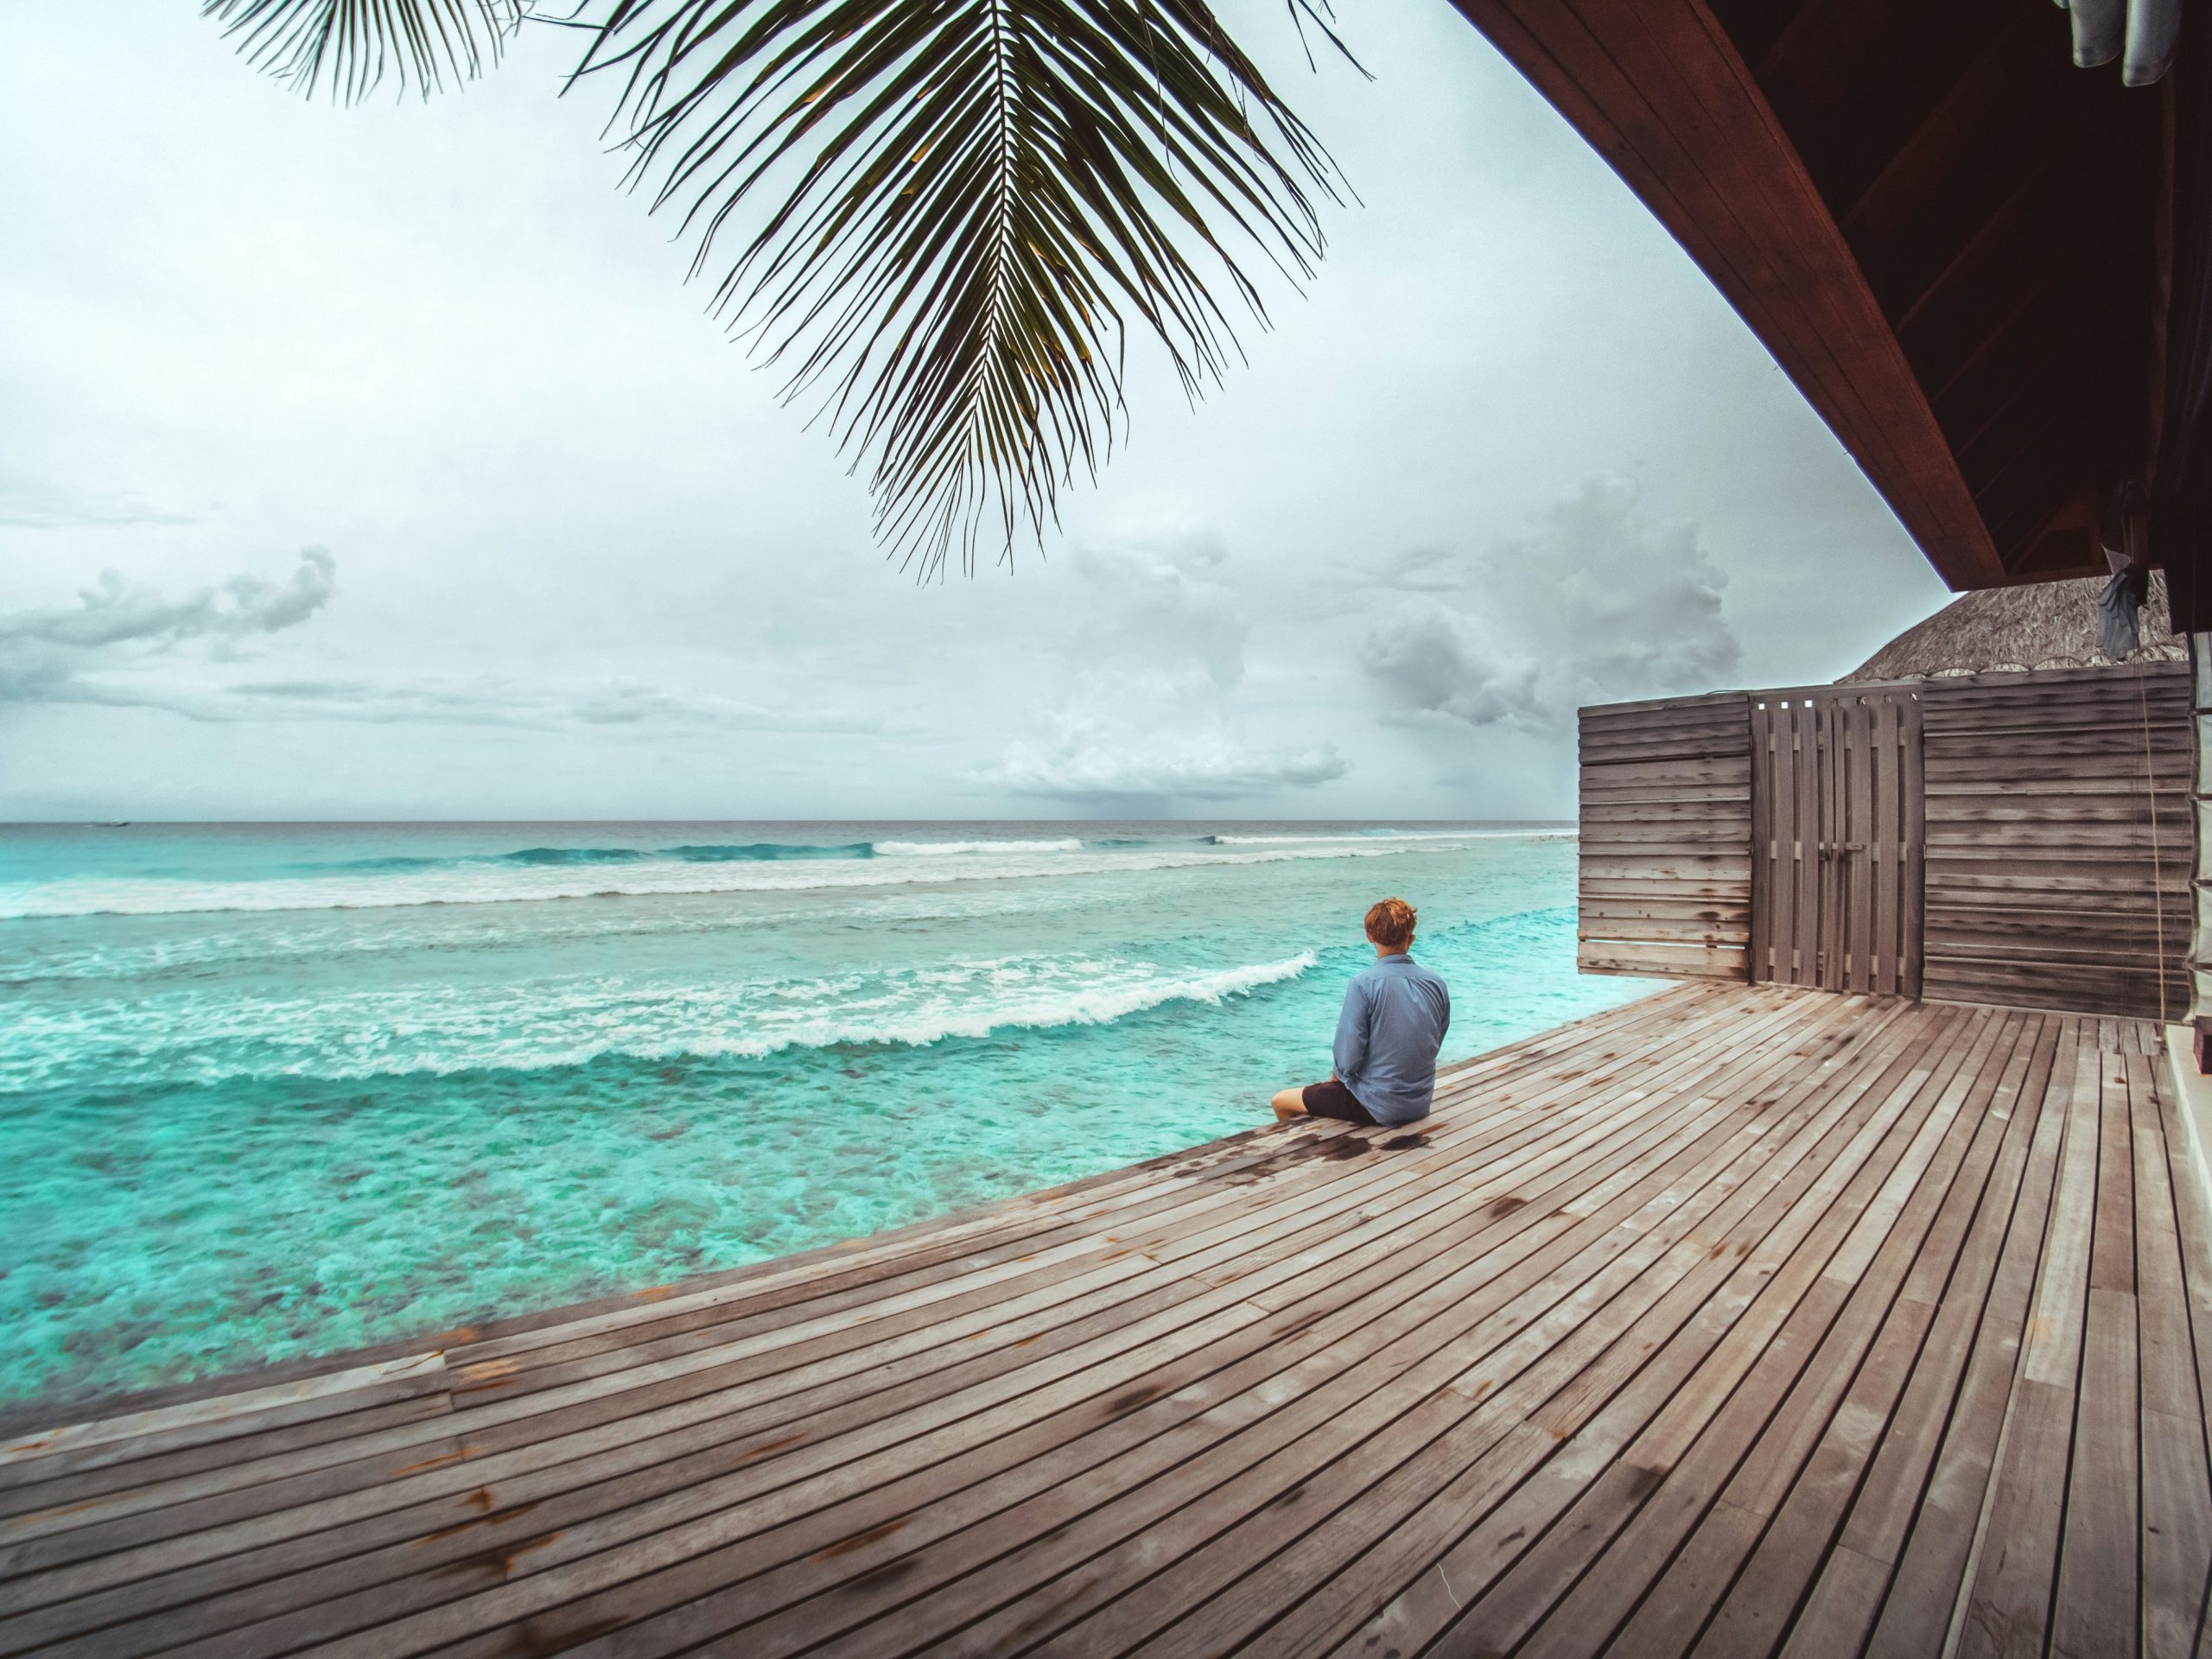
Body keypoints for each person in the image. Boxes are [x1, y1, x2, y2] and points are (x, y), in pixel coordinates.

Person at [1272, 898, 1451, 1127]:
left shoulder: (1363, 984)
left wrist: (1334, 1081)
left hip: (1377, 1106)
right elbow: (1435, 1040)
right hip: (1419, 1103)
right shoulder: (1436, 983)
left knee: (1281, 1101)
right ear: (1411, 938)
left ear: (1370, 936)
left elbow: (1347, 1059)